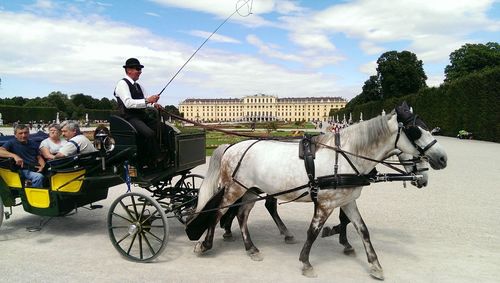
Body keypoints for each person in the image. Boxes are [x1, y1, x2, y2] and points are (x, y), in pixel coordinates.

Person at [113, 57, 167, 165]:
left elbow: (147, 99)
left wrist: (155, 104)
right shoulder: (122, 84)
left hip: (142, 116)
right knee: (149, 134)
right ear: (129, 70)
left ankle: (168, 154)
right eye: (137, 69)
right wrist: (148, 100)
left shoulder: (138, 86)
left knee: (164, 129)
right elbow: (128, 103)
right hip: (129, 117)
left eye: (140, 69)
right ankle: (157, 158)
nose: (140, 72)